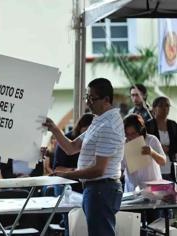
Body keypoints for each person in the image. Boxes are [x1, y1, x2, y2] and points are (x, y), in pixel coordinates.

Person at [43, 78, 125, 236]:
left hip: (101, 188)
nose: (88, 102)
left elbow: (98, 170)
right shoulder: (99, 120)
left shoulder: (108, 126)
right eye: (86, 97)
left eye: (92, 98)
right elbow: (71, 147)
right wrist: (54, 129)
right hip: (96, 189)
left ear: (106, 100)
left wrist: (67, 175)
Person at [122, 114, 166, 192]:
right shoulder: (123, 144)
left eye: (133, 133)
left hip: (153, 189)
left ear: (141, 130)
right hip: (132, 190)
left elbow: (163, 162)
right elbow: (121, 169)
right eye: (127, 134)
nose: (130, 137)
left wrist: (152, 152)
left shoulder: (151, 139)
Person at [54, 113, 94, 194]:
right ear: (80, 128)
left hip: (88, 185)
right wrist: (75, 171)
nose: (89, 135)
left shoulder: (95, 141)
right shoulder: (66, 140)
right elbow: (57, 169)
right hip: (67, 186)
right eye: (86, 131)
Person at [145, 96, 177, 181]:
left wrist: (169, 149)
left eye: (167, 105)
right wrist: (159, 148)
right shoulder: (148, 125)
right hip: (153, 167)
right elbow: (144, 144)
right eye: (161, 105)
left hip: (170, 167)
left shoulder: (173, 125)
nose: (164, 108)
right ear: (154, 108)